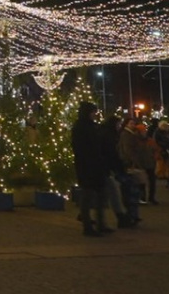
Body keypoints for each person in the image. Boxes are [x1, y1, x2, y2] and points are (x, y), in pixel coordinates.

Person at [71, 101, 108, 237]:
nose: (94, 114)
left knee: (100, 195)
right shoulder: (81, 127)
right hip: (86, 165)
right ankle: (88, 226)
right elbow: (80, 148)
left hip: (96, 164)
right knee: (87, 196)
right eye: (93, 112)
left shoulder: (92, 126)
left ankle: (100, 223)